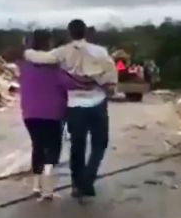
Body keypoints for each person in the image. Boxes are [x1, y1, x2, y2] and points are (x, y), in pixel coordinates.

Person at [24, 19, 117, 202]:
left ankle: (76, 184)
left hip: (75, 105)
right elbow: (110, 73)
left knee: (77, 146)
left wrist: (27, 52)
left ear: (69, 33)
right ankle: (87, 179)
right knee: (100, 143)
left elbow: (40, 58)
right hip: (97, 102)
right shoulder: (100, 52)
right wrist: (110, 87)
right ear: (86, 32)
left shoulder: (62, 52)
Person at [18, 29, 94, 200]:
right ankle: (47, 189)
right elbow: (72, 83)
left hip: (30, 113)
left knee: (37, 146)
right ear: (49, 43)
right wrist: (92, 84)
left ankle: (36, 186)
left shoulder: (24, 65)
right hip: (53, 114)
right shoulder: (56, 67)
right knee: (52, 149)